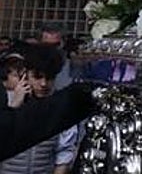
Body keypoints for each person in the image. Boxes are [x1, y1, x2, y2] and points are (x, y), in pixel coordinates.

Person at [0, 45, 83, 174]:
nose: (43, 84)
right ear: (25, 74)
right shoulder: (5, 99)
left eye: (49, 78)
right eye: (37, 77)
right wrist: (14, 106)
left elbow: (64, 155)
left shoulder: (60, 106)